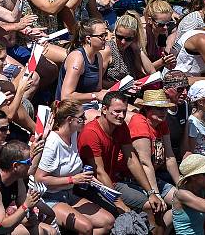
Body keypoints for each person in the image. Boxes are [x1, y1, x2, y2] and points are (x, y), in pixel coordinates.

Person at [77, 91, 166, 216]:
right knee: (120, 216)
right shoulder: (91, 133)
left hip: (114, 182)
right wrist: (119, 203)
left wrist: (151, 192)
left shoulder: (121, 126)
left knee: (154, 206)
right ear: (104, 109)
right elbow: (99, 172)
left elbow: (131, 159)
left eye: (124, 111)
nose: (121, 115)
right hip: (94, 187)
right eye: (117, 111)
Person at [35, 100, 115, 234]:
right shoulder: (53, 143)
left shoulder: (73, 135)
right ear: (69, 120)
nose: (85, 119)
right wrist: (72, 179)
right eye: (81, 117)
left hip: (69, 194)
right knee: (86, 227)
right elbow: (39, 178)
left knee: (108, 222)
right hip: (49, 197)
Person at [56, 19, 109, 106]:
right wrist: (94, 96)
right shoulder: (77, 58)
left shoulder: (98, 56)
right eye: (102, 36)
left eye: (106, 34)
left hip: (91, 104)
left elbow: (98, 89)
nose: (106, 39)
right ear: (88, 39)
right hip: (71, 109)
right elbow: (66, 96)